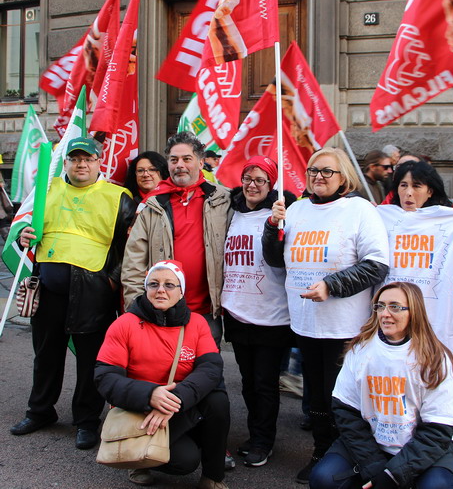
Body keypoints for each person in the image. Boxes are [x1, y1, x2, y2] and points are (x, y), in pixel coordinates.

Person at [262, 147, 390, 484]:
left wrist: (331, 286)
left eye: (327, 171)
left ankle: (350, 458)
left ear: (343, 176)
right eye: (313, 170)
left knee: (341, 398)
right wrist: (272, 226)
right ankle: (321, 453)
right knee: (315, 396)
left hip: (344, 327)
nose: (318, 176)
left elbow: (377, 264)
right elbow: (275, 259)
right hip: (305, 323)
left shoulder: (360, 210)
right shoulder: (296, 209)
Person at [9, 137, 135, 450]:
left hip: (94, 293)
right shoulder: (46, 190)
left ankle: (86, 421)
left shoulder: (119, 197)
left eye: (88, 159)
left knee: (91, 360)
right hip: (48, 291)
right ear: (65, 162)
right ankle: (40, 411)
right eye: (75, 159)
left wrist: (111, 281)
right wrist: (22, 234)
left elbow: (131, 248)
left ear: (99, 163)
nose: (81, 164)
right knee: (46, 355)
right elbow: (22, 227)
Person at [309, 282, 453, 489]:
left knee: (436, 487)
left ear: (414, 311)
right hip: (371, 442)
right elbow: (345, 411)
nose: (385, 314)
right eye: (380, 306)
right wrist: (374, 466)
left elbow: (438, 429)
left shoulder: (435, 358)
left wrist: (393, 475)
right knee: (323, 478)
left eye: (395, 307)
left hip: (422, 447)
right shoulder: (360, 349)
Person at [95, 260, 230, 489]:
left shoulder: (197, 323)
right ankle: (138, 460)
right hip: (140, 409)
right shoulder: (124, 324)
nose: (160, 290)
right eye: (153, 284)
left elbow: (211, 369)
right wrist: (150, 395)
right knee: (184, 461)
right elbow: (105, 377)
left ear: (181, 291)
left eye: (169, 285)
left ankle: (213, 477)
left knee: (218, 400)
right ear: (145, 288)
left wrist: (174, 399)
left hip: (180, 404)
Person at [122, 131, 231, 345]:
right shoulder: (152, 205)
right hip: (162, 310)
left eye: (186, 159)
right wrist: (136, 307)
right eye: (174, 160)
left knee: (207, 364)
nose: (179, 165)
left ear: (201, 163)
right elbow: (133, 263)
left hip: (207, 312)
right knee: (163, 364)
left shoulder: (223, 199)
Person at [222, 155, 296, 468]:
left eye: (260, 180)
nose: (252, 185)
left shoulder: (281, 212)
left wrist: (278, 223)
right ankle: (255, 434)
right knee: (248, 381)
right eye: (248, 179)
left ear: (270, 185)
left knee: (265, 383)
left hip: (271, 314)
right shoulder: (231, 212)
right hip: (237, 310)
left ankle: (263, 441)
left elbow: (282, 257)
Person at [377, 160, 453, 356]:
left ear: (430, 191)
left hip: (431, 318)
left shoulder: (450, 221)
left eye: (416, 186)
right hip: (389, 316)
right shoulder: (380, 218)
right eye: (403, 185)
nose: (409, 193)